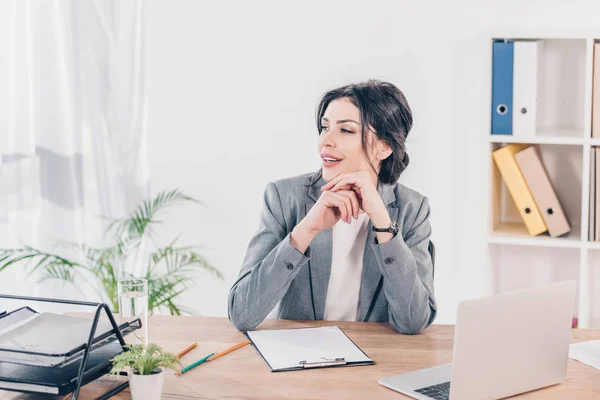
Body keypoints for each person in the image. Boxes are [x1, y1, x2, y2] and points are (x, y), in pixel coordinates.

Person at [228, 79, 436, 334]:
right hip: (299, 355)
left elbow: (413, 321)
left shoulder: (412, 209)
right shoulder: (284, 197)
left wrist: (382, 221)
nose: (326, 141)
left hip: (374, 359)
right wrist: (305, 231)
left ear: (384, 146)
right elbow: (242, 313)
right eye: (325, 127)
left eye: (345, 130)